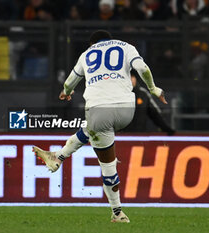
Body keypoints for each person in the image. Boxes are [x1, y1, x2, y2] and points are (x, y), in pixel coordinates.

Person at [33, 30, 167, 223]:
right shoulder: (126, 47)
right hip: (127, 110)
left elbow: (71, 80)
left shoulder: (87, 54)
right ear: (110, 40)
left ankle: (117, 212)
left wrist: (66, 92)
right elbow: (142, 68)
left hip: (99, 110)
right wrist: (153, 88)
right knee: (89, 130)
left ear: (92, 44)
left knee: (108, 165)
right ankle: (58, 157)